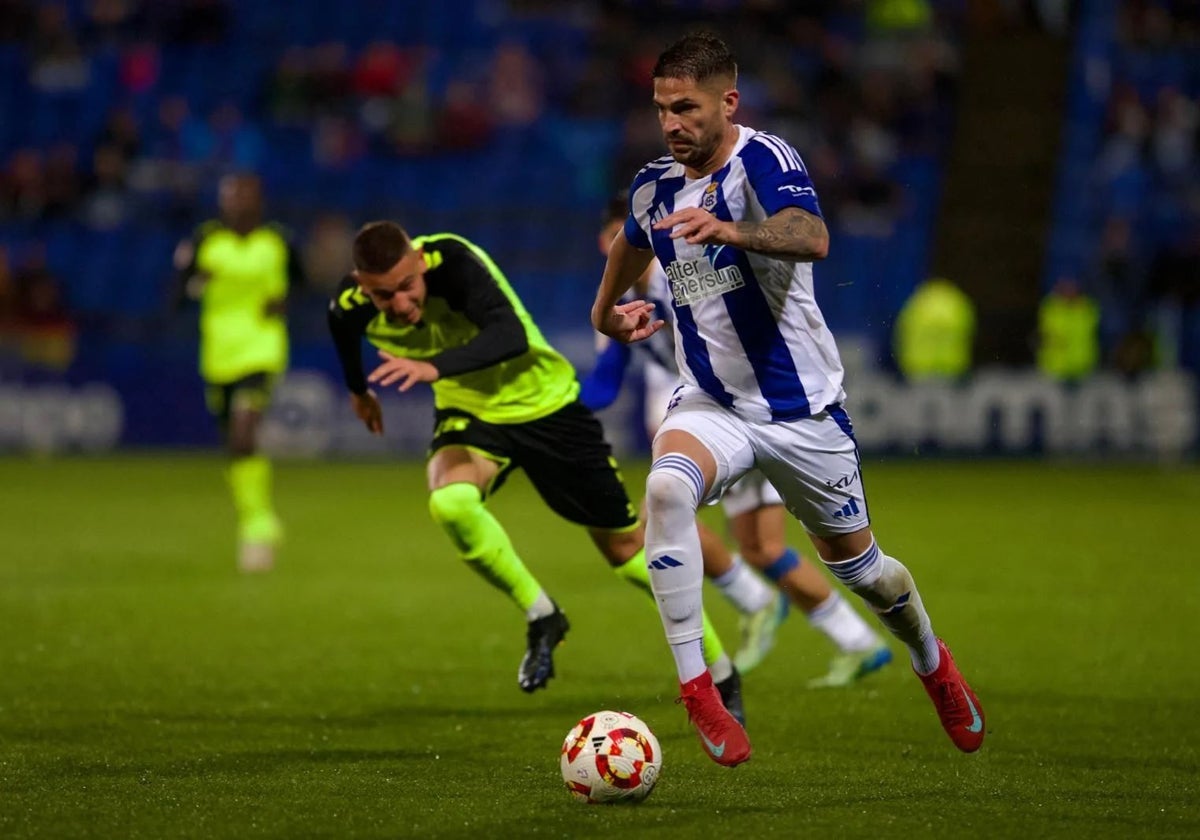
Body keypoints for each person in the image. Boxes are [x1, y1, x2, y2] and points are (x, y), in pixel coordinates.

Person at [591, 33, 985, 767]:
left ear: (727, 102)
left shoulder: (766, 161)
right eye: (661, 108)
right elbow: (631, 243)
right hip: (712, 402)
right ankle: (698, 689)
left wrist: (733, 231)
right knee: (666, 491)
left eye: (686, 107)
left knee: (867, 571)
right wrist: (604, 310)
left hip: (803, 412)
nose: (672, 123)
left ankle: (934, 664)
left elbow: (812, 237)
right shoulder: (652, 185)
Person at [326, 221, 746, 715]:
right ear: (360, 283)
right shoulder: (349, 304)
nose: (398, 304)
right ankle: (542, 614)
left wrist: (433, 367)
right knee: (450, 502)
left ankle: (720, 672)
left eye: (405, 287)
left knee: (625, 550)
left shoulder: (455, 262)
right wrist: (359, 393)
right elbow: (342, 328)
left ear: (418, 263)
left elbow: (508, 335)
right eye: (381, 295)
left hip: (546, 407)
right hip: (473, 413)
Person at [584, 193, 892, 686]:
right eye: (626, 235)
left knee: (660, 515)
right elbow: (606, 378)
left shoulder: (682, 273)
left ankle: (755, 604)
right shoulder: (616, 303)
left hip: (752, 410)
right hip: (721, 417)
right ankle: (855, 640)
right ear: (609, 242)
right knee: (761, 547)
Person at [174, 173, 303, 573]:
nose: (238, 202)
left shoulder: (278, 240)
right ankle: (257, 516)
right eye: (231, 195)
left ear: (259, 199)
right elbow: (178, 294)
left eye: (245, 194)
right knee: (235, 445)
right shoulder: (204, 240)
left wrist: (285, 303)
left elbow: (305, 283)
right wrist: (198, 283)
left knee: (245, 432)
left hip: (262, 350)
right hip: (218, 353)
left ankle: (258, 527)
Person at [892, 276, 976, 382]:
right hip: (953, 371)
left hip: (916, 372)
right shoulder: (958, 304)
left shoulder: (917, 302)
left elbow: (900, 335)